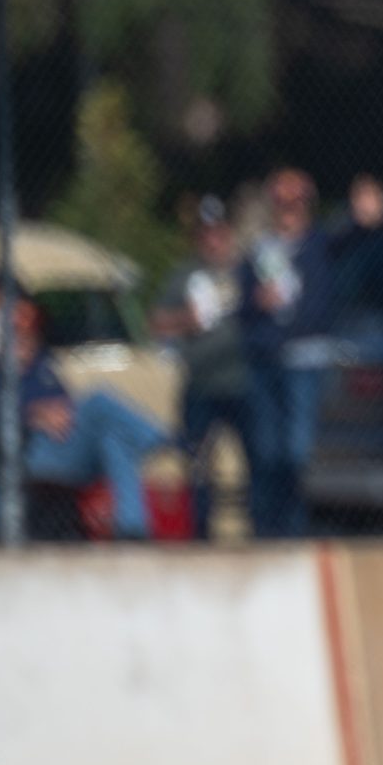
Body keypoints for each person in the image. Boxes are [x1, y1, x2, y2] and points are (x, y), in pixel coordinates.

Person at [0, 300, 169, 541]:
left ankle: (132, 528)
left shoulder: (44, 372)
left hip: (65, 448)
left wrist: (59, 413)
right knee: (99, 399)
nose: (25, 345)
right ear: (1, 342)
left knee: (113, 439)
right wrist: (31, 414)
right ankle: (159, 439)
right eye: (17, 339)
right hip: (27, 452)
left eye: (29, 338)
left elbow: (68, 411)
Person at [237, 168, 333, 539]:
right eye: (282, 202)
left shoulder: (320, 245)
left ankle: (293, 528)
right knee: (265, 450)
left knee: (296, 450)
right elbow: (240, 307)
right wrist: (257, 301)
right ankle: (265, 529)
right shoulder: (260, 251)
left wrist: (366, 217)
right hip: (265, 359)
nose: (289, 210)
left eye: (297, 202)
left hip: (304, 359)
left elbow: (355, 235)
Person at [150, 196, 251, 540]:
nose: (213, 240)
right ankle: (200, 534)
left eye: (218, 233)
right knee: (196, 465)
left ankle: (263, 531)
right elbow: (157, 322)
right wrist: (185, 320)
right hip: (201, 383)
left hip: (244, 382)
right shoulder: (185, 275)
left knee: (257, 459)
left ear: (228, 234)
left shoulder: (245, 269)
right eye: (206, 234)